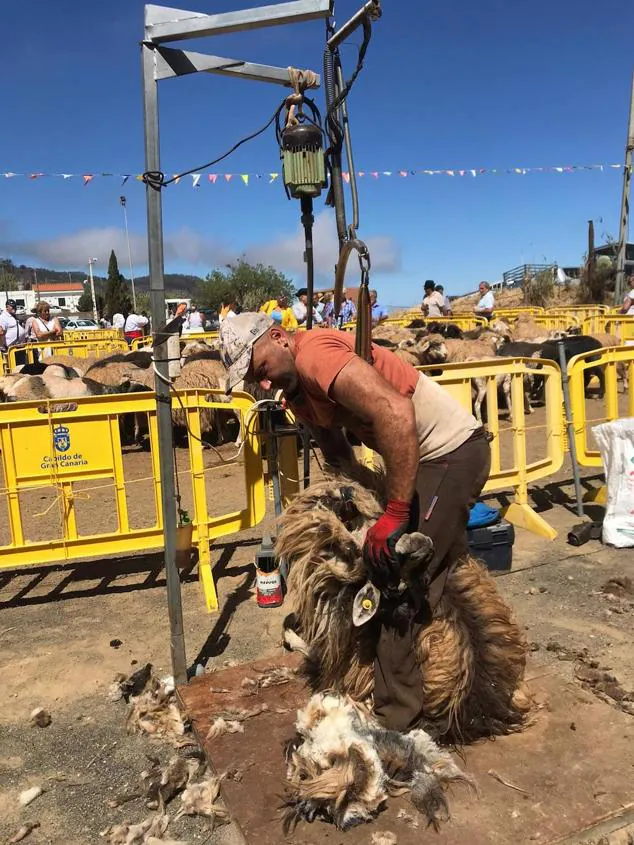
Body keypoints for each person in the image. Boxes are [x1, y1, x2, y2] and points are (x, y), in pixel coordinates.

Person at [219, 313, 490, 732]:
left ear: (278, 337)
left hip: (449, 455)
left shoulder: (315, 358)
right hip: (425, 460)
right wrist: (349, 490)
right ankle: (456, 685)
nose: (264, 384)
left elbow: (396, 411)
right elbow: (332, 440)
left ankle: (397, 721)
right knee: (428, 571)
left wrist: (396, 514)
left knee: (395, 579)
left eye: (262, 369)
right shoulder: (297, 389)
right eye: (254, 379)